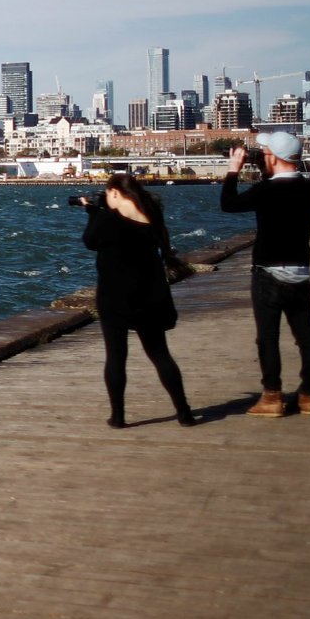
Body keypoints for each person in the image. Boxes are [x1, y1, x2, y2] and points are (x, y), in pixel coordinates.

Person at [80, 172, 195, 428]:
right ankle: (184, 412)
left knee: (116, 356)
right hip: (150, 295)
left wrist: (92, 212)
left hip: (114, 297)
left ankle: (118, 416)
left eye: (108, 195)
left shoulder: (109, 221)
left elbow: (90, 241)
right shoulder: (151, 218)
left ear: (115, 193)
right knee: (160, 355)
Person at [222, 131, 310, 417]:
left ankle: (272, 397)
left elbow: (228, 204)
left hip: (268, 272)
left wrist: (234, 170)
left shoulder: (265, 191)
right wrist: (265, 162)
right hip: (300, 272)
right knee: (306, 336)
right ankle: (309, 395)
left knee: (268, 337)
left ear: (274, 158)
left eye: (265, 154)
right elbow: (280, 181)